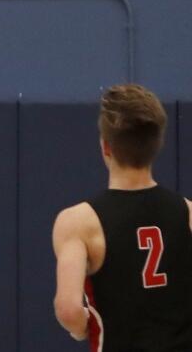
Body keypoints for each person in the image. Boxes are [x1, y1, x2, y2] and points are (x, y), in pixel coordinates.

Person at [52, 83, 192, 350]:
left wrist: (84, 328)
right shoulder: (188, 213)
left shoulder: (79, 222)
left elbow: (68, 309)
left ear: (106, 147)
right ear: (157, 145)